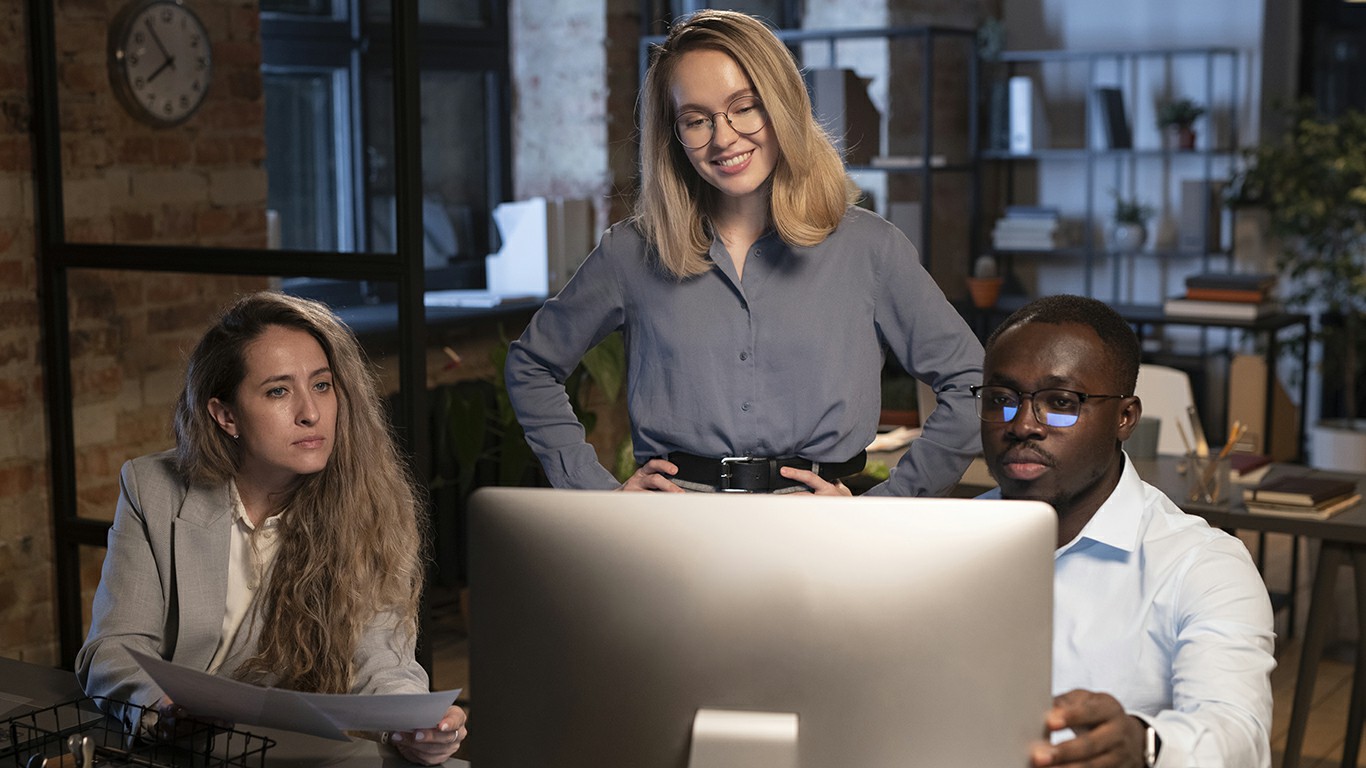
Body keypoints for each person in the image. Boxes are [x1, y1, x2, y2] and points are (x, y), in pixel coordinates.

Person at [504, 9, 982, 496]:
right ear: (674, 136)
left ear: (782, 104)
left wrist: (888, 504)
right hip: (675, 526)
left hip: (821, 527)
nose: (724, 137)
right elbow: (531, 366)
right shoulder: (631, 253)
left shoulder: (871, 248)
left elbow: (971, 382)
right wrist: (596, 494)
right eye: (696, 120)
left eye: (745, 107)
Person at [75, 291, 465, 766]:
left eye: (321, 385)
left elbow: (382, 659)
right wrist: (162, 707)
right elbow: (114, 648)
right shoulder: (153, 488)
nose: (310, 412)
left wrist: (416, 723)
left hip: (286, 754)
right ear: (226, 415)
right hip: (169, 751)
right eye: (278, 391)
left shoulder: (373, 503)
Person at [974, 294, 1275, 767]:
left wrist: (1145, 744)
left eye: (1061, 402)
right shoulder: (943, 543)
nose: (1023, 425)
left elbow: (1238, 733)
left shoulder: (1202, 566)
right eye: (1002, 400)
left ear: (1125, 418)